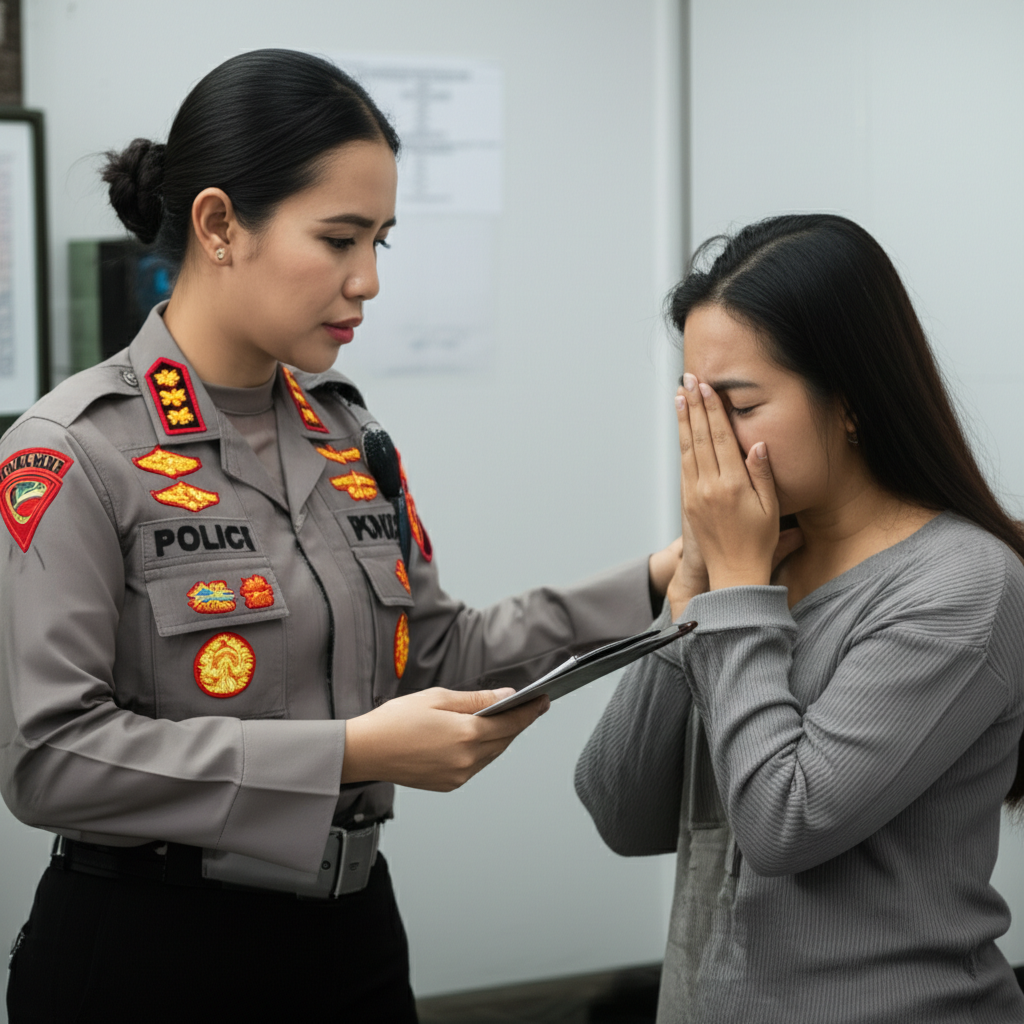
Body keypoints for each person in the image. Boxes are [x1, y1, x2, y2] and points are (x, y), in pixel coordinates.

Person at [0, 49, 681, 1022]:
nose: (367, 280)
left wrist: (655, 580)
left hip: (350, 936)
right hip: (153, 949)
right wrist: (349, 752)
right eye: (338, 238)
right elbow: (50, 759)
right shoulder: (74, 449)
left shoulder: (347, 433)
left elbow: (434, 652)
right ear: (219, 226)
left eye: (380, 241)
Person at [575, 214, 1024, 1023]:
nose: (709, 441)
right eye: (695, 406)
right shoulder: (752, 565)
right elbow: (620, 812)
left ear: (849, 401)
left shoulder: (961, 582)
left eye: (739, 405)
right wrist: (692, 596)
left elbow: (785, 825)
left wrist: (734, 594)